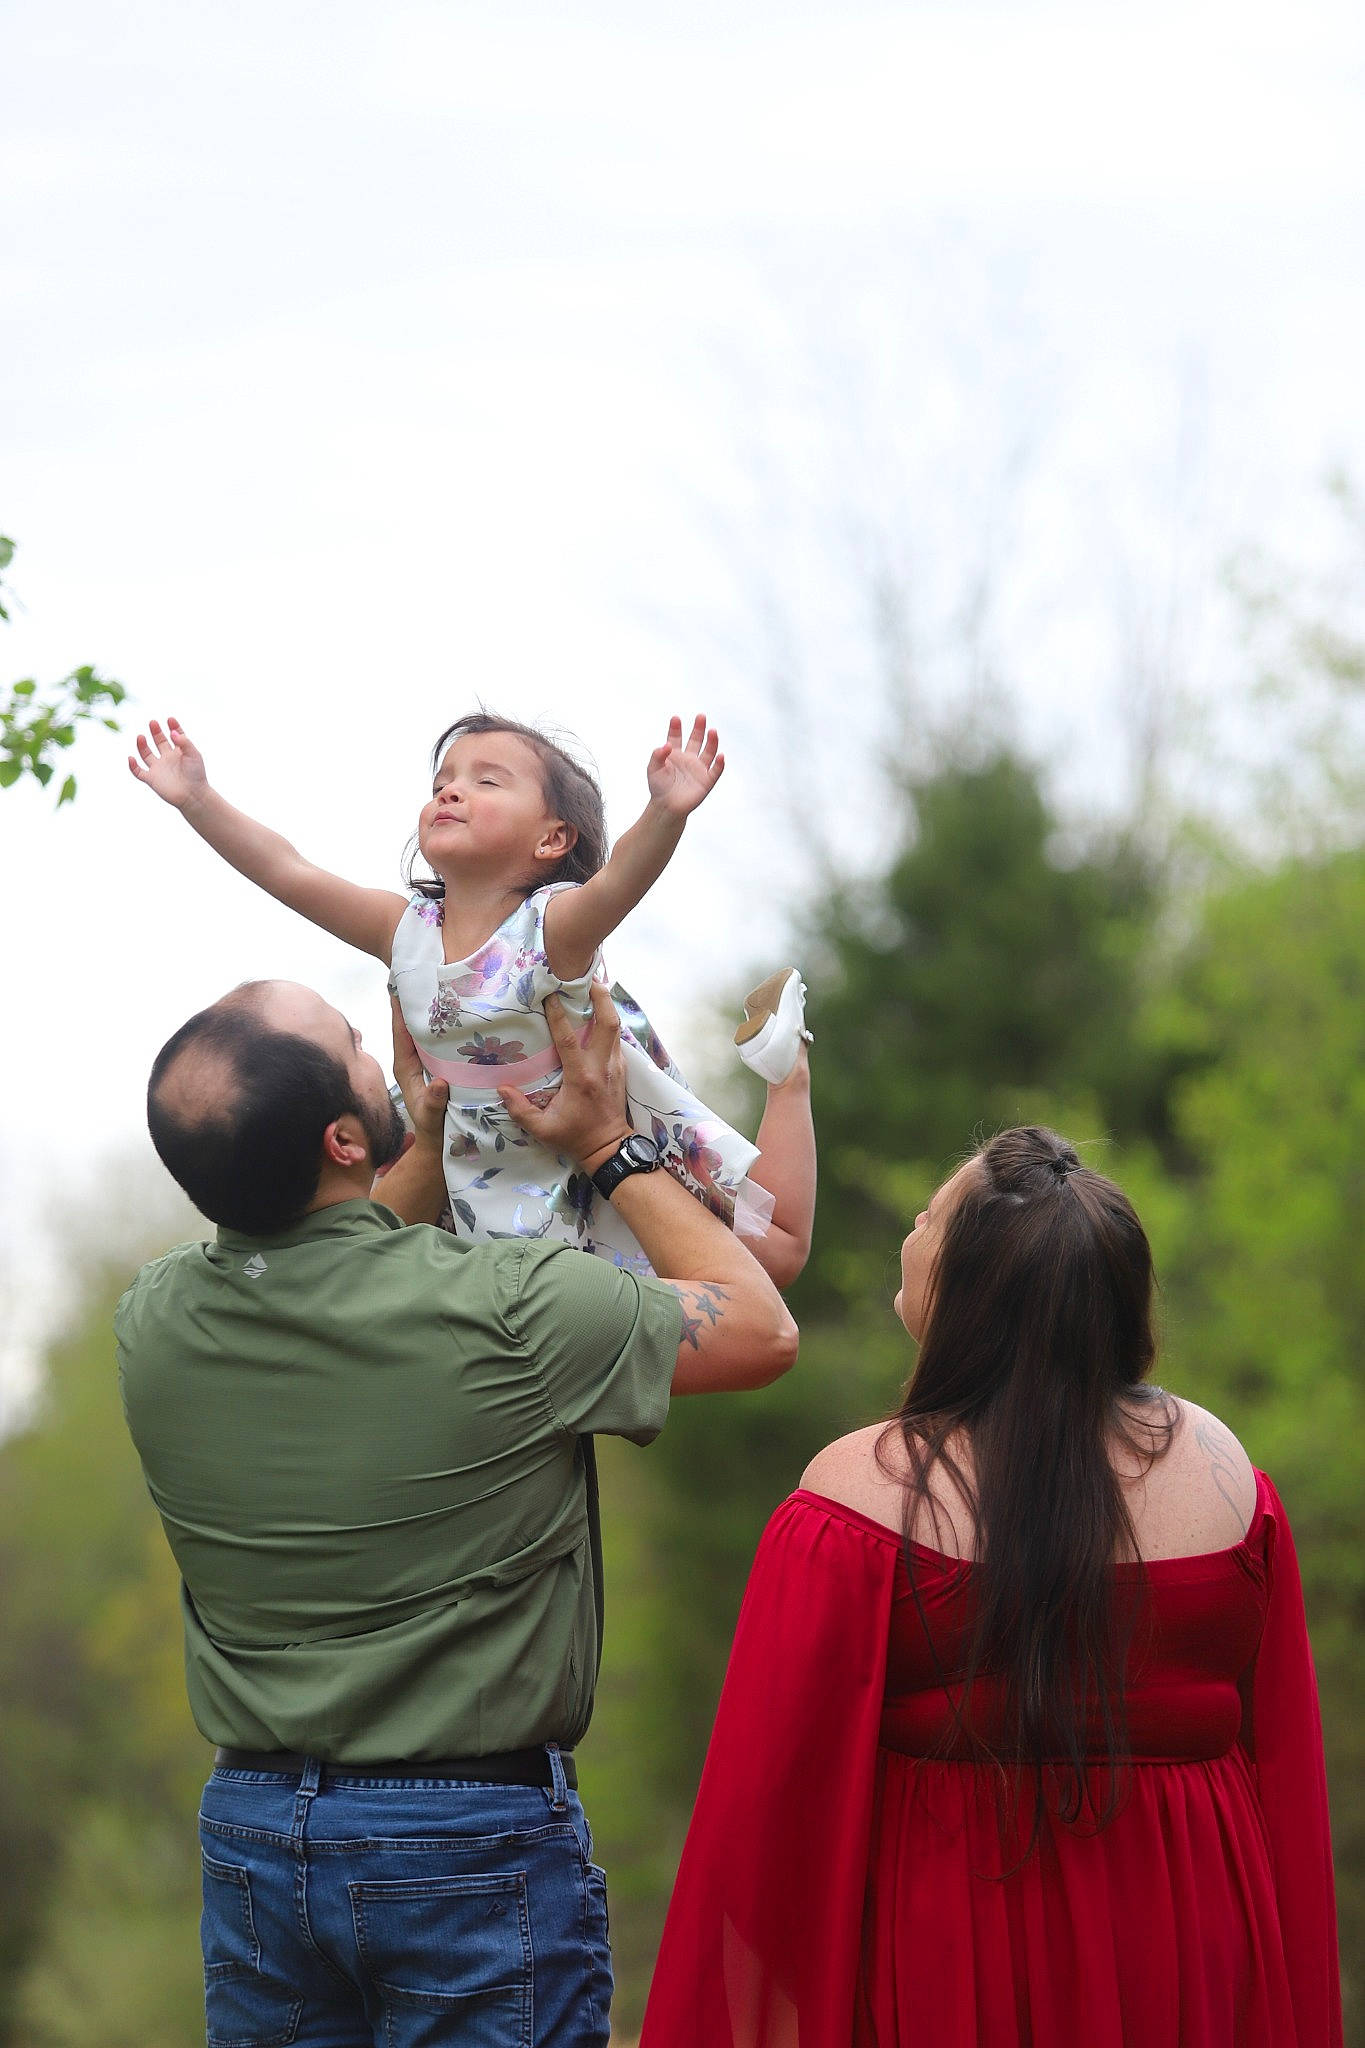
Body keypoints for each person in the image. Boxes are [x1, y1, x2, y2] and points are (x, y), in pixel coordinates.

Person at [115, 976, 798, 2048]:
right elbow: (760, 1324)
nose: (372, 1034)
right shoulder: (516, 1306)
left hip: (251, 1840)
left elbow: (342, 1267)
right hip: (467, 1847)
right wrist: (607, 1141)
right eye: (352, 1037)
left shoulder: (154, 1320)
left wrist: (420, 1133)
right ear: (344, 1138)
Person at [642, 1126, 1343, 2048]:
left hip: (953, 1954)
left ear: (968, 1288)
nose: (910, 1229)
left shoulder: (856, 1498)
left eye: (927, 1216)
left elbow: (762, 1826)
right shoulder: (1225, 1475)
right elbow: (1283, 1768)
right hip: (1187, 1947)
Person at [128, 709, 816, 1284]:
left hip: (586, 1140)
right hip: (463, 1155)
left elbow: (619, 883)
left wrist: (665, 811)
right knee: (356, 1272)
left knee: (773, 1255)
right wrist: (197, 800)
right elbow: (288, 870)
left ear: (553, 838)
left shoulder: (552, 928)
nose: (450, 792)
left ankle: (787, 1073)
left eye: (486, 781)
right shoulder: (402, 930)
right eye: (443, 781)